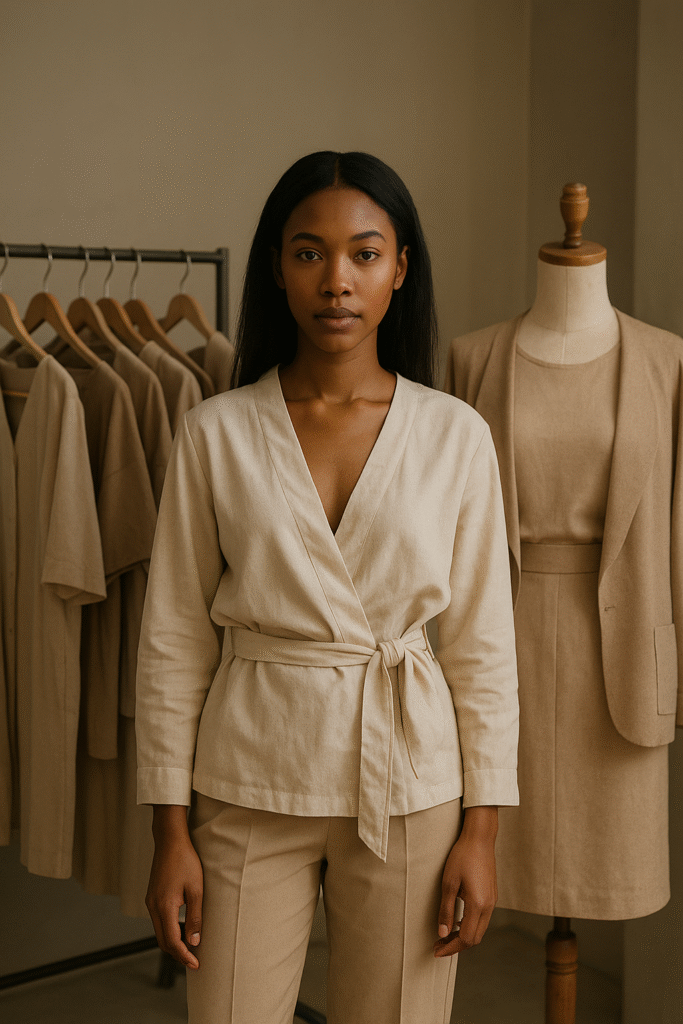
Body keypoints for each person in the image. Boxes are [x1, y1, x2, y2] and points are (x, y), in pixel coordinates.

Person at [136, 150, 519, 1024]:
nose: (336, 281)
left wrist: (483, 830)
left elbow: (482, 646)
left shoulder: (454, 436)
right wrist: (168, 833)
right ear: (277, 267)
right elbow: (172, 641)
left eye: (365, 254)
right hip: (248, 773)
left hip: (410, 780)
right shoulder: (215, 433)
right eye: (309, 253)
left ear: (400, 270)